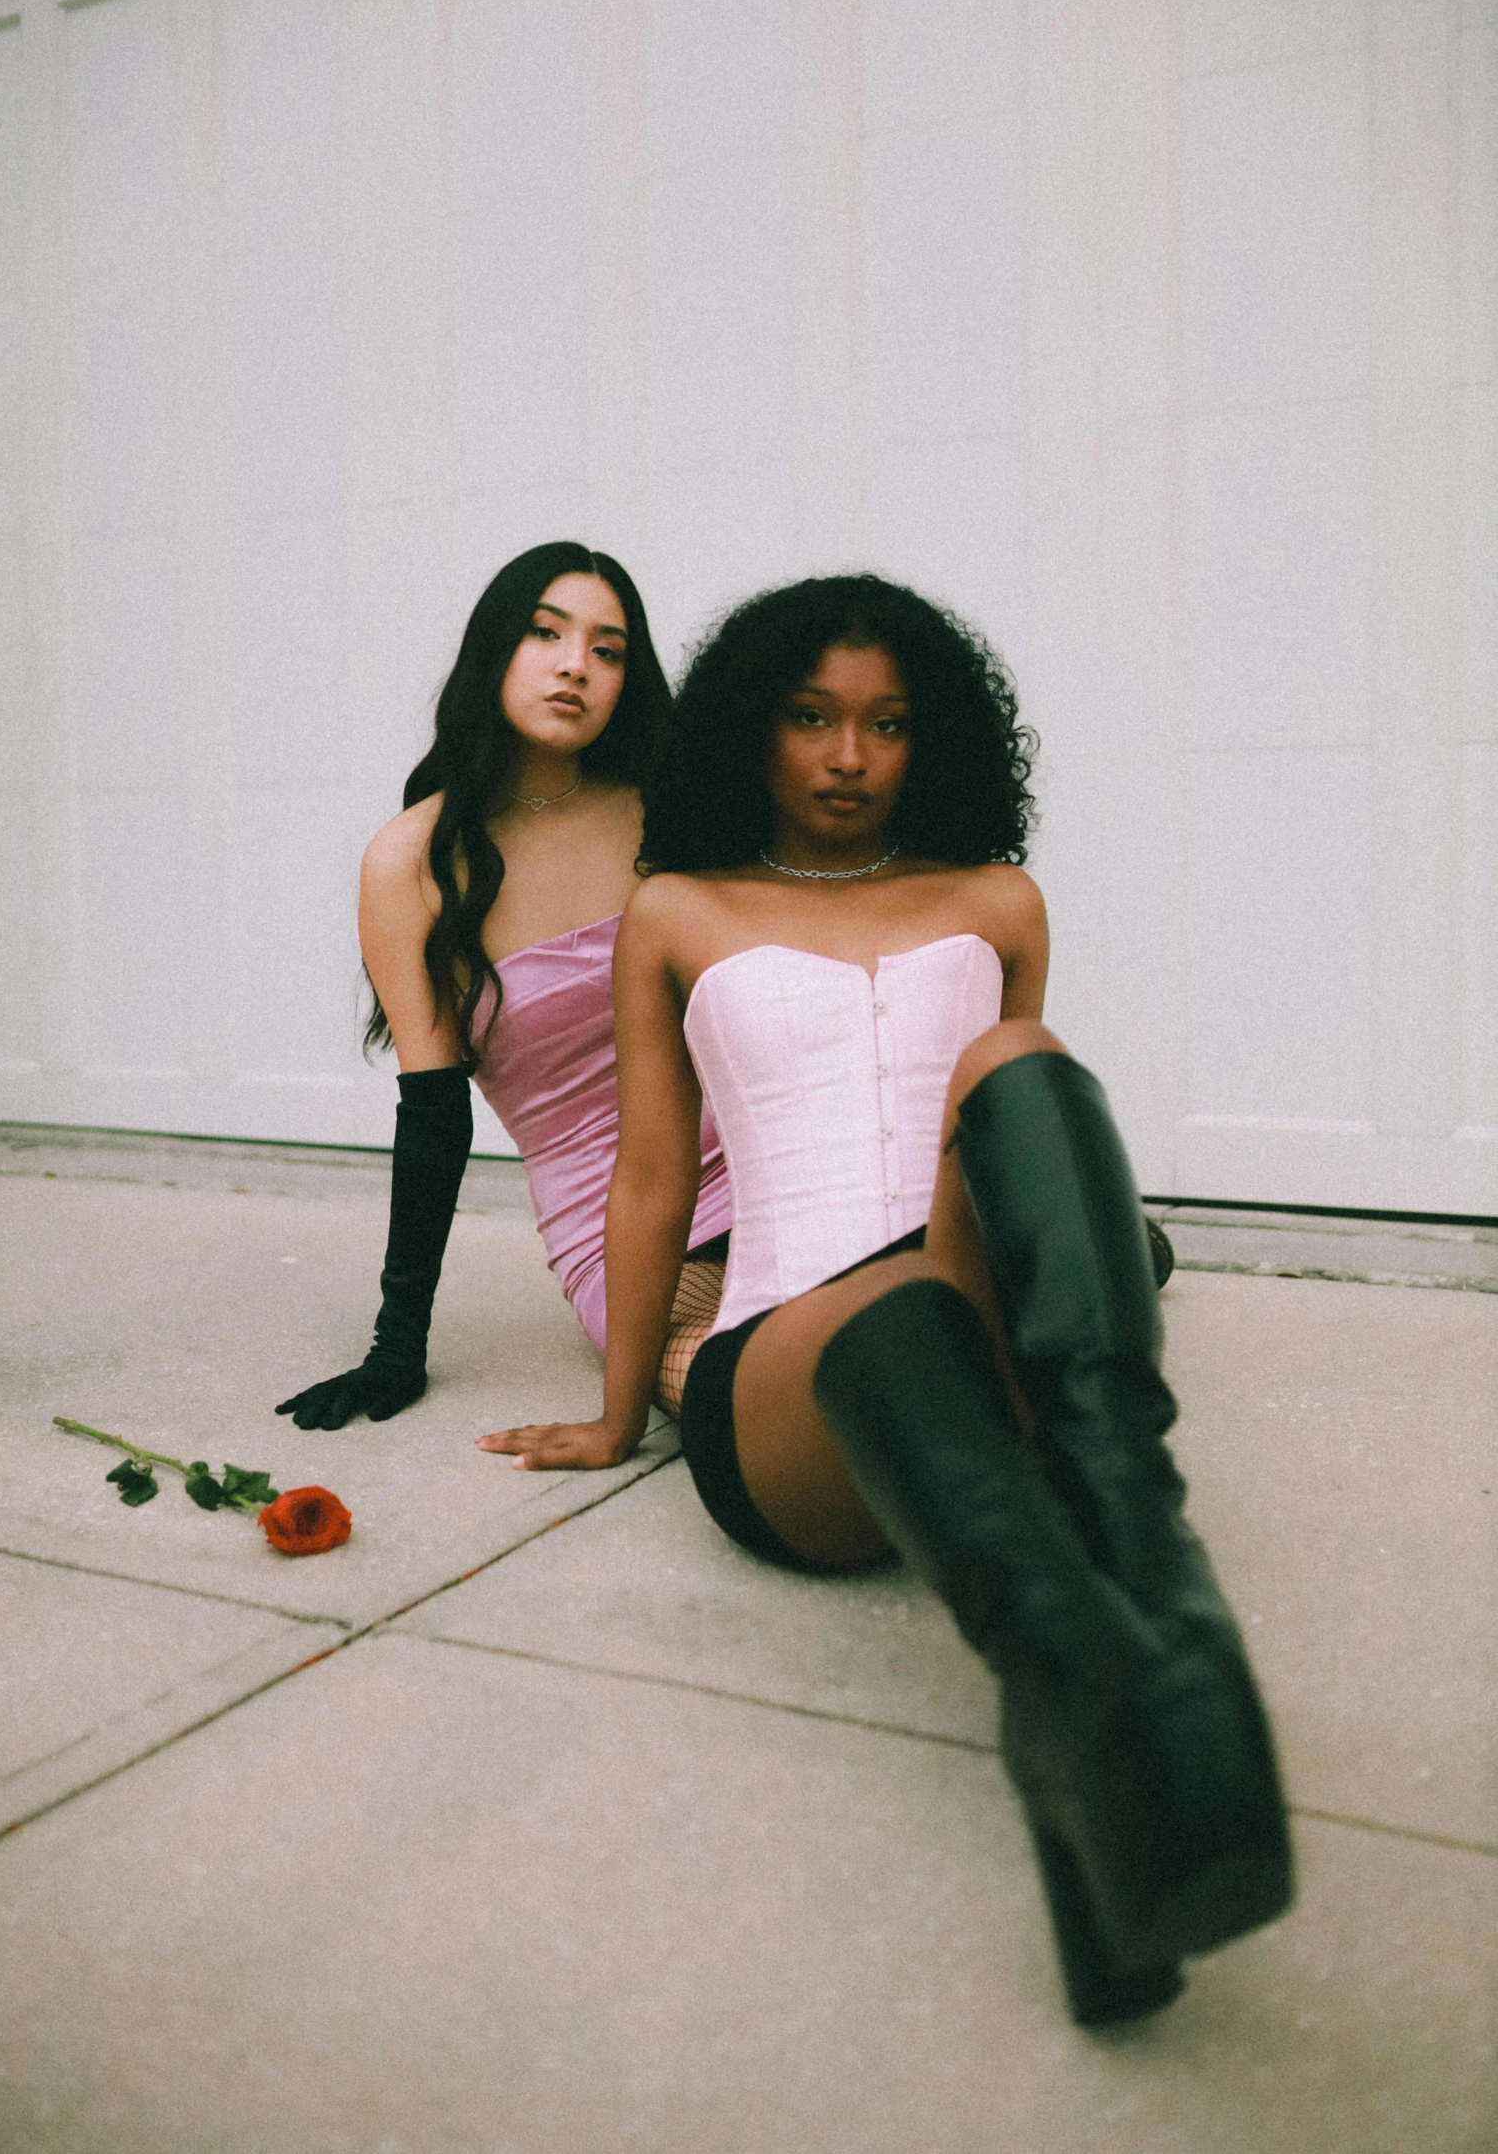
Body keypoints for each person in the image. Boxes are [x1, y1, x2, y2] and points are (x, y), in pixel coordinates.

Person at [480, 574, 1290, 2025]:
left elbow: (1004, 1172)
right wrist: (616, 1416)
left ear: (935, 740)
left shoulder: (995, 899)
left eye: (885, 724)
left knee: (1014, 1062)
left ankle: (1120, 1622)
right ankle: (1156, 1656)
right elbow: (655, 1180)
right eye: (810, 719)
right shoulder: (672, 910)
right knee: (893, 1312)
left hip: (968, 1322)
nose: (847, 757)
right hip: (789, 1384)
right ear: (753, 731)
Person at [276, 541, 730, 1434]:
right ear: (494, 651)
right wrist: (395, 1347)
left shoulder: (668, 808)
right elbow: (434, 1112)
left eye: (608, 649)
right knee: (750, 1396)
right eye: (544, 633)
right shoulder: (411, 860)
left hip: (781, 1163)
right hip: (634, 1237)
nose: (575, 666)